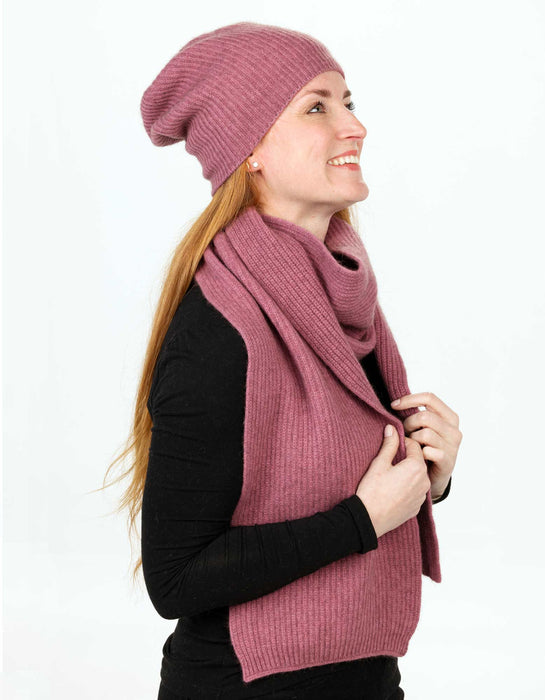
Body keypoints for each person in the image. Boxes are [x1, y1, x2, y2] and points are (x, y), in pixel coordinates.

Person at [110, 21, 461, 700]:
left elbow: (351, 481)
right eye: (316, 107)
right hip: (247, 685)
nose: (354, 127)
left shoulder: (343, 294)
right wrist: (359, 522)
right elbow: (175, 577)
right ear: (250, 151)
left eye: (348, 102)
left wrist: (429, 474)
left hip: (367, 675)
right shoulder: (218, 327)